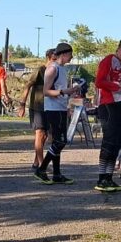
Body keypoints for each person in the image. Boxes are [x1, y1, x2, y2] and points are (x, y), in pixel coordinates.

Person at [94, 36, 121, 192]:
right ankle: (101, 178)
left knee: (117, 142)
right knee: (109, 141)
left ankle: (109, 177)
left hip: (120, 104)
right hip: (108, 104)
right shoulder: (108, 60)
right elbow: (99, 82)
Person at [34, 43, 79, 185]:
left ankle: (57, 173)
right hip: (53, 109)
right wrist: (63, 92)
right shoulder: (52, 68)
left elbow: (60, 89)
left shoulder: (63, 69)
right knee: (60, 141)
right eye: (70, 54)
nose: (71, 57)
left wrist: (70, 91)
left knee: (57, 142)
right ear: (63, 54)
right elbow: (46, 91)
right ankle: (42, 169)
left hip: (61, 107)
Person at [19, 48, 55, 174]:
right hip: (37, 106)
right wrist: (22, 104)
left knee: (44, 135)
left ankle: (35, 162)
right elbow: (27, 85)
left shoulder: (55, 71)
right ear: (49, 57)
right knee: (39, 133)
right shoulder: (40, 70)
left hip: (49, 107)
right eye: (54, 57)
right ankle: (41, 164)